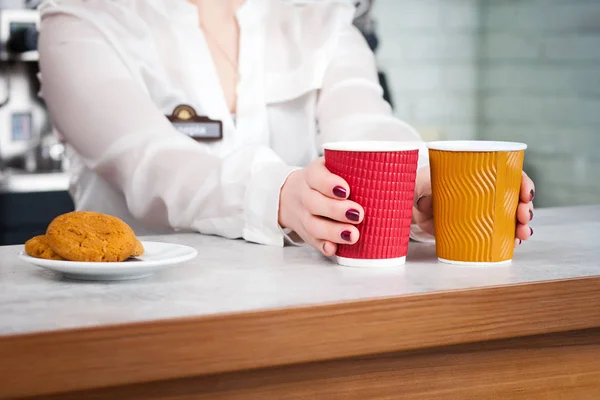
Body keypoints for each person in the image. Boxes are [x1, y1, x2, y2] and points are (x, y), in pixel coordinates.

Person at [38, 0, 535, 257]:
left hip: (302, 320)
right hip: (140, 319)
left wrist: (427, 183)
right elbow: (149, 163)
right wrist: (277, 195)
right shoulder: (81, 19)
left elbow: (367, 123)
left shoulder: (318, 15)